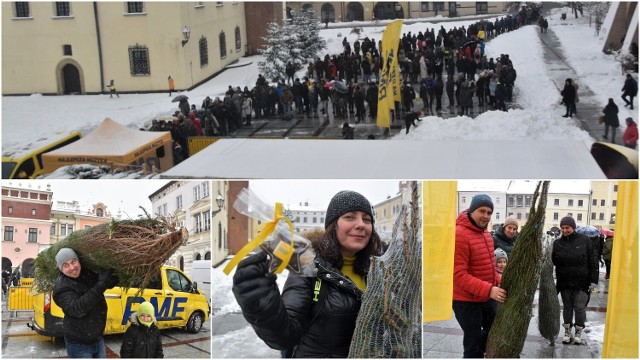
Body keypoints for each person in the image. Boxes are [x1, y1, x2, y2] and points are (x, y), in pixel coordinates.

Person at [232, 190, 383, 357]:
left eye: (367, 220)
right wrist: (263, 304)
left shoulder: (381, 269)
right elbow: (285, 335)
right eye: (350, 217)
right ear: (333, 225)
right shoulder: (308, 266)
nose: (361, 224)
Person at [453, 194, 506, 358]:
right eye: (482, 211)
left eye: (489, 212)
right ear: (471, 210)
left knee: (495, 333)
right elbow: (459, 275)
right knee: (473, 346)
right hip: (466, 301)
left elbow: (489, 265)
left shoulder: (486, 235)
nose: (486, 216)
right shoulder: (459, 234)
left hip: (485, 297)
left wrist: (498, 282)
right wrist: (490, 289)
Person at [52, 248, 119, 358]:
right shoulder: (61, 288)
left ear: (78, 261)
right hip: (78, 345)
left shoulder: (87, 273)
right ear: (61, 269)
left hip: (98, 338)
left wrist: (112, 276)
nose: (72, 267)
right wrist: (102, 284)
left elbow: (107, 282)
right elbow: (78, 308)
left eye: (73, 262)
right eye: (66, 265)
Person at [551, 216, 598, 345]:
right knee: (567, 307)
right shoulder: (557, 243)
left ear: (573, 227)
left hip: (582, 281)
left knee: (580, 308)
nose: (565, 230)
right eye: (563, 228)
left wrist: (594, 281)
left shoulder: (585, 241)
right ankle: (567, 331)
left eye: (567, 228)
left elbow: (593, 261)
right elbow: (552, 261)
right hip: (564, 281)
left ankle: (578, 331)